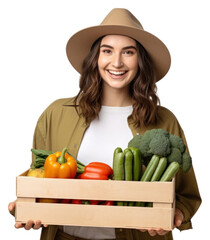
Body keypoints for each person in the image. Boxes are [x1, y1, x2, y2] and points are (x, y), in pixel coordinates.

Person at [9, 8, 201, 240]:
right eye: (107, 51)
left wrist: (175, 215)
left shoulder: (164, 121)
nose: (117, 62)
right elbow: (37, 178)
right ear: (95, 58)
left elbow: (187, 195)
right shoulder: (56, 114)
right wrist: (28, 207)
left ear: (140, 60)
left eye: (128, 52)